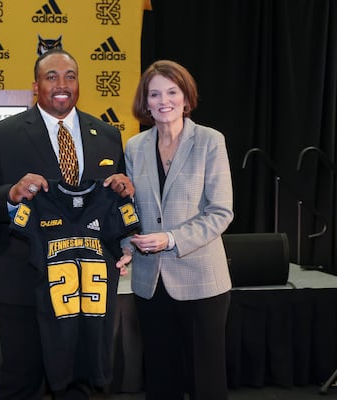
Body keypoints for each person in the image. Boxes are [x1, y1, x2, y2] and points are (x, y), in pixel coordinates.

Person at [0, 48, 134, 399]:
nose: (62, 84)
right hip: (22, 278)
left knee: (81, 380)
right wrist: (11, 194)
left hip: (86, 286)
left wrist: (125, 190)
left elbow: (117, 203)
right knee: (21, 379)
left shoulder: (106, 133)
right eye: (51, 76)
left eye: (70, 76)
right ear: (35, 86)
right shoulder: (3, 133)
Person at [120, 59, 234, 400]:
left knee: (205, 381)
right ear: (145, 102)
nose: (163, 100)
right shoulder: (135, 147)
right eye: (154, 94)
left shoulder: (210, 141)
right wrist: (127, 244)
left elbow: (220, 211)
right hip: (149, 281)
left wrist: (170, 239)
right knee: (159, 377)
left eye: (172, 91)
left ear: (186, 98)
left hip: (201, 280)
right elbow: (130, 208)